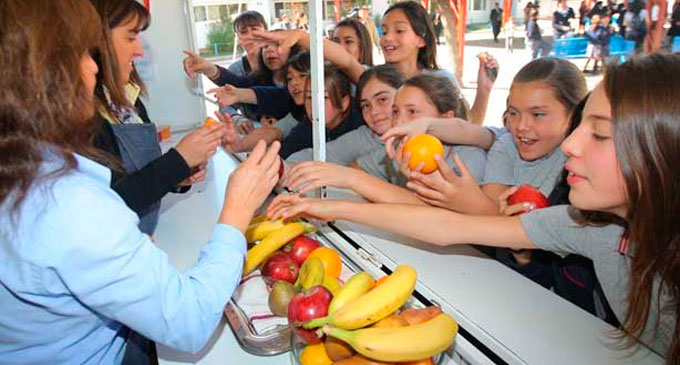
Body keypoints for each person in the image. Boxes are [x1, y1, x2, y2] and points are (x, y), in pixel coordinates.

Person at [268, 53, 680, 362]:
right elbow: (446, 227)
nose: (572, 145)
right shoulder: (587, 225)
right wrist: (334, 208)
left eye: (601, 135)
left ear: (664, 151)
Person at [0, 0, 282, 363]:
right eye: (83, 55)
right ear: (46, 73)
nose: (92, 66)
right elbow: (189, 321)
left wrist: (174, 179)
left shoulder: (31, 164)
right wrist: (236, 212)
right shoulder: (66, 204)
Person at [91, 0, 224, 236]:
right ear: (95, 42)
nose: (140, 50)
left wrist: (178, 175)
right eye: (131, 38)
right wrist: (177, 161)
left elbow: (139, 177)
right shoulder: (82, 117)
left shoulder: (128, 97)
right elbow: (108, 205)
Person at [251, 1, 498, 126]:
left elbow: (469, 124)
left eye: (399, 31)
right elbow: (345, 59)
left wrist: (484, 90)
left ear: (421, 39)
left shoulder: (441, 79)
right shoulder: (374, 78)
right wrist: (302, 37)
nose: (387, 38)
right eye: (384, 30)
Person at [283, 74, 488, 205]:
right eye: (397, 112)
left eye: (413, 112)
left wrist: (354, 180)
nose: (401, 121)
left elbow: (440, 217)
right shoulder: (395, 151)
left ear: (446, 119)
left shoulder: (469, 160)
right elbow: (357, 169)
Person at [183, 11, 267, 134]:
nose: (250, 35)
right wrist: (236, 119)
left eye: (255, 29)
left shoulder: (278, 62)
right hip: (253, 132)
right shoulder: (236, 69)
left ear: (267, 32)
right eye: (243, 32)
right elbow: (227, 101)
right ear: (238, 38)